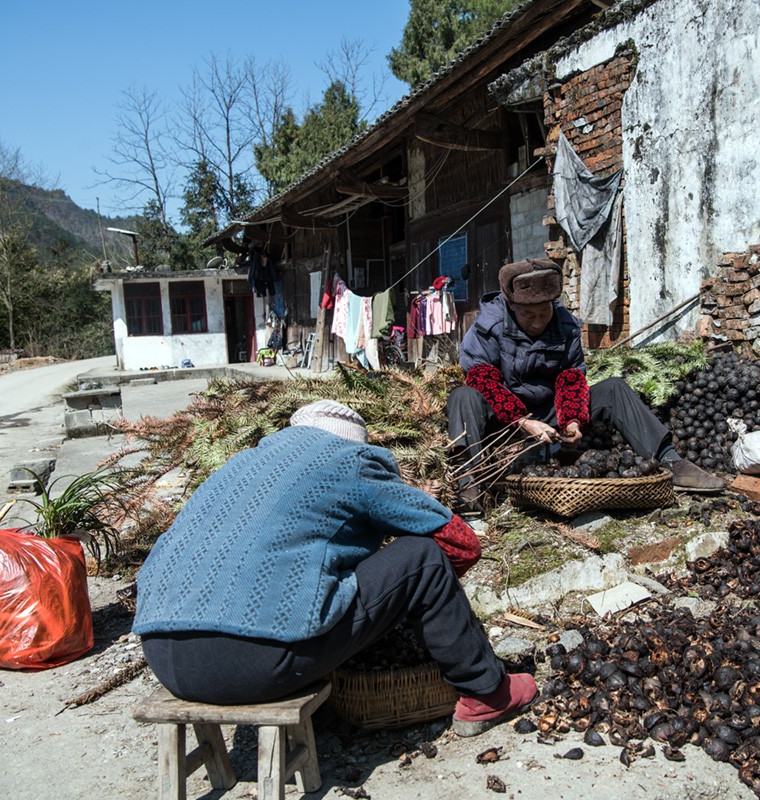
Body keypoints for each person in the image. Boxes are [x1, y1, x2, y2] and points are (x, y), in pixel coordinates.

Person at [132, 400, 536, 736]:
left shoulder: (238, 467)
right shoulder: (351, 462)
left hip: (165, 659)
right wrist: (419, 603)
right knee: (422, 558)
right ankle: (486, 693)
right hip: (254, 665)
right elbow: (459, 541)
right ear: (356, 443)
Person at [449, 259, 725, 505]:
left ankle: (672, 461)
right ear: (511, 307)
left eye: (543, 314)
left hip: (549, 409)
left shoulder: (565, 324)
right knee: (463, 395)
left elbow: (571, 375)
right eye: (528, 316)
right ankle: (469, 485)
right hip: (505, 414)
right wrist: (522, 422)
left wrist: (571, 419)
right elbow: (482, 379)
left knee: (614, 388)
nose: (537, 323)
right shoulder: (490, 326)